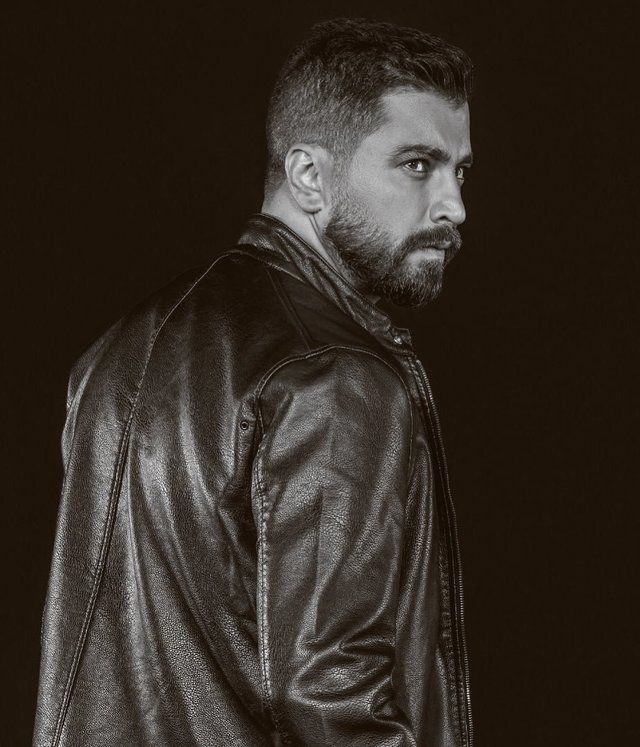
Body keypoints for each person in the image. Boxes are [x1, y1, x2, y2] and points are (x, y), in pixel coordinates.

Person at [34, 18, 474, 747]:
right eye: (418, 165)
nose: (454, 206)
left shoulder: (116, 351)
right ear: (308, 176)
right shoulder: (336, 375)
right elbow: (331, 695)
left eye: (460, 171)